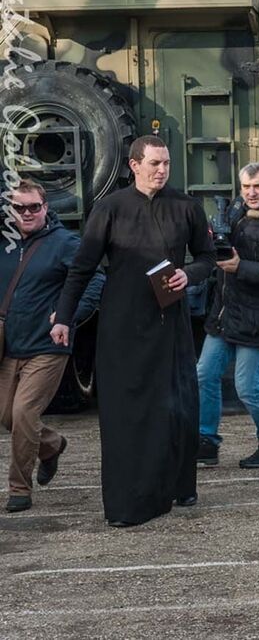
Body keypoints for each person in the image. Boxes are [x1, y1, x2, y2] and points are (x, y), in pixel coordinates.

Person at [53, 135, 215, 527]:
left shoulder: (186, 207)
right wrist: (63, 317)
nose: (162, 170)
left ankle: (178, 484)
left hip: (169, 323)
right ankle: (130, 500)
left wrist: (187, 274)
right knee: (126, 411)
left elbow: (208, 258)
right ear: (134, 165)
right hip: (121, 322)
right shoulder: (109, 208)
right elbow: (82, 268)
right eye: (154, 163)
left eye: (167, 164)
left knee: (175, 405)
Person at [0, 181, 102, 513]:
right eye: (20, 207)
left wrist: (69, 317)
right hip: (9, 347)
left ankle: (19, 489)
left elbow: (96, 278)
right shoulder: (6, 244)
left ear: (46, 207)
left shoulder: (64, 243)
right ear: (11, 210)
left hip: (47, 347)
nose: (27, 213)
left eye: (34, 207)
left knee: (23, 413)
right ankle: (52, 444)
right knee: (6, 416)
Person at [196, 163, 259, 469]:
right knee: (204, 375)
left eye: (258, 187)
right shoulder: (236, 212)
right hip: (226, 313)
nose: (251, 193)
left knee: (247, 386)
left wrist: (240, 267)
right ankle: (206, 442)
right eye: (246, 187)